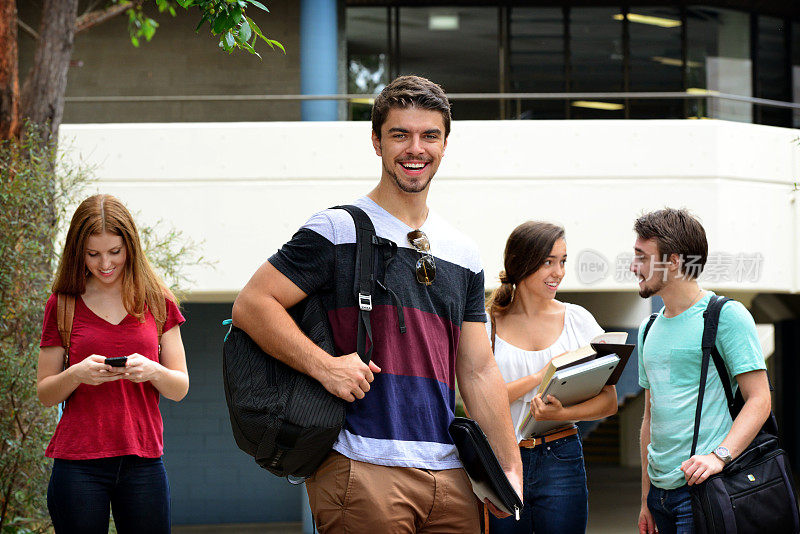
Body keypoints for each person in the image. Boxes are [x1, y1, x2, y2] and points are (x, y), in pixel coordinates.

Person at [232, 75, 522, 533]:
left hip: (451, 473)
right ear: (376, 141)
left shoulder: (463, 253)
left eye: (430, 135)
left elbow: (478, 369)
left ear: (445, 144)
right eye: (400, 134)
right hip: (361, 464)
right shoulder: (336, 229)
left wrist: (509, 468)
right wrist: (324, 365)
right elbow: (252, 304)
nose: (415, 148)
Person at [37, 194, 189, 534]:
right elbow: (46, 393)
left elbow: (179, 386)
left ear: (130, 248)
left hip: (143, 462)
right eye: (93, 254)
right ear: (79, 252)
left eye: (114, 252)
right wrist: (76, 373)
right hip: (78, 466)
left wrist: (152, 370)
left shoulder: (157, 300)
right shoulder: (62, 304)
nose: (104, 263)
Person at [631, 208, 771, 534]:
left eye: (642, 257)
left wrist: (719, 457)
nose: (633, 267)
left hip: (704, 487)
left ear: (675, 261)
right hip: (658, 497)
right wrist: (645, 497)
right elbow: (650, 416)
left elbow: (760, 399)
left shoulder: (725, 316)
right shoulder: (648, 327)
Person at [486, 221, 618, 534]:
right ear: (520, 263)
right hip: (502, 459)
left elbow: (609, 401)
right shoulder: (487, 322)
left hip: (561, 457)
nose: (558, 272)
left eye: (562, 261)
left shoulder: (578, 320)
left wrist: (563, 414)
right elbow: (480, 401)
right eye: (548, 262)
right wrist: (541, 376)